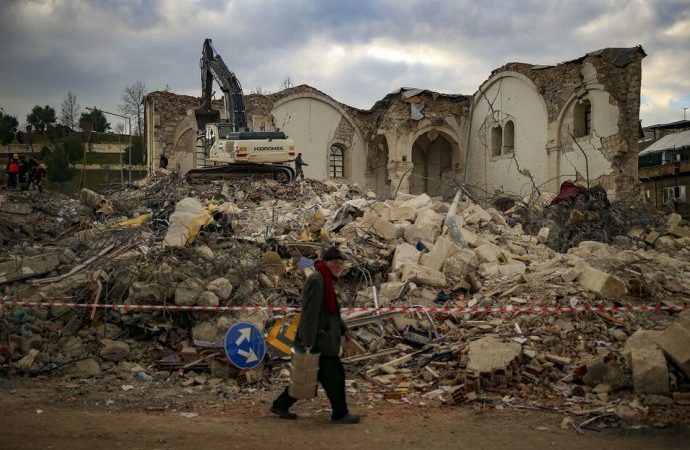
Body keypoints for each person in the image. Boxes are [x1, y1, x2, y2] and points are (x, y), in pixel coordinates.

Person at [271, 246, 360, 424]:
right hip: (319, 340)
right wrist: (308, 341)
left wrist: (344, 329)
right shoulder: (317, 280)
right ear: (326, 262)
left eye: (340, 263)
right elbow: (310, 313)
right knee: (334, 376)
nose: (338, 266)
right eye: (335, 263)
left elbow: (332, 312)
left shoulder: (327, 281)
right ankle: (340, 413)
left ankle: (280, 405)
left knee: (308, 377)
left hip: (324, 339)